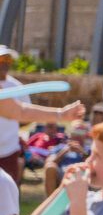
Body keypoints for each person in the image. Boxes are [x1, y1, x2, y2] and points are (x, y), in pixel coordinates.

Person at [0, 42, 84, 187]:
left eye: (7, 60)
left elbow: (21, 111)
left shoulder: (13, 86)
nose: (5, 64)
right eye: (2, 60)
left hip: (8, 150)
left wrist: (61, 114)